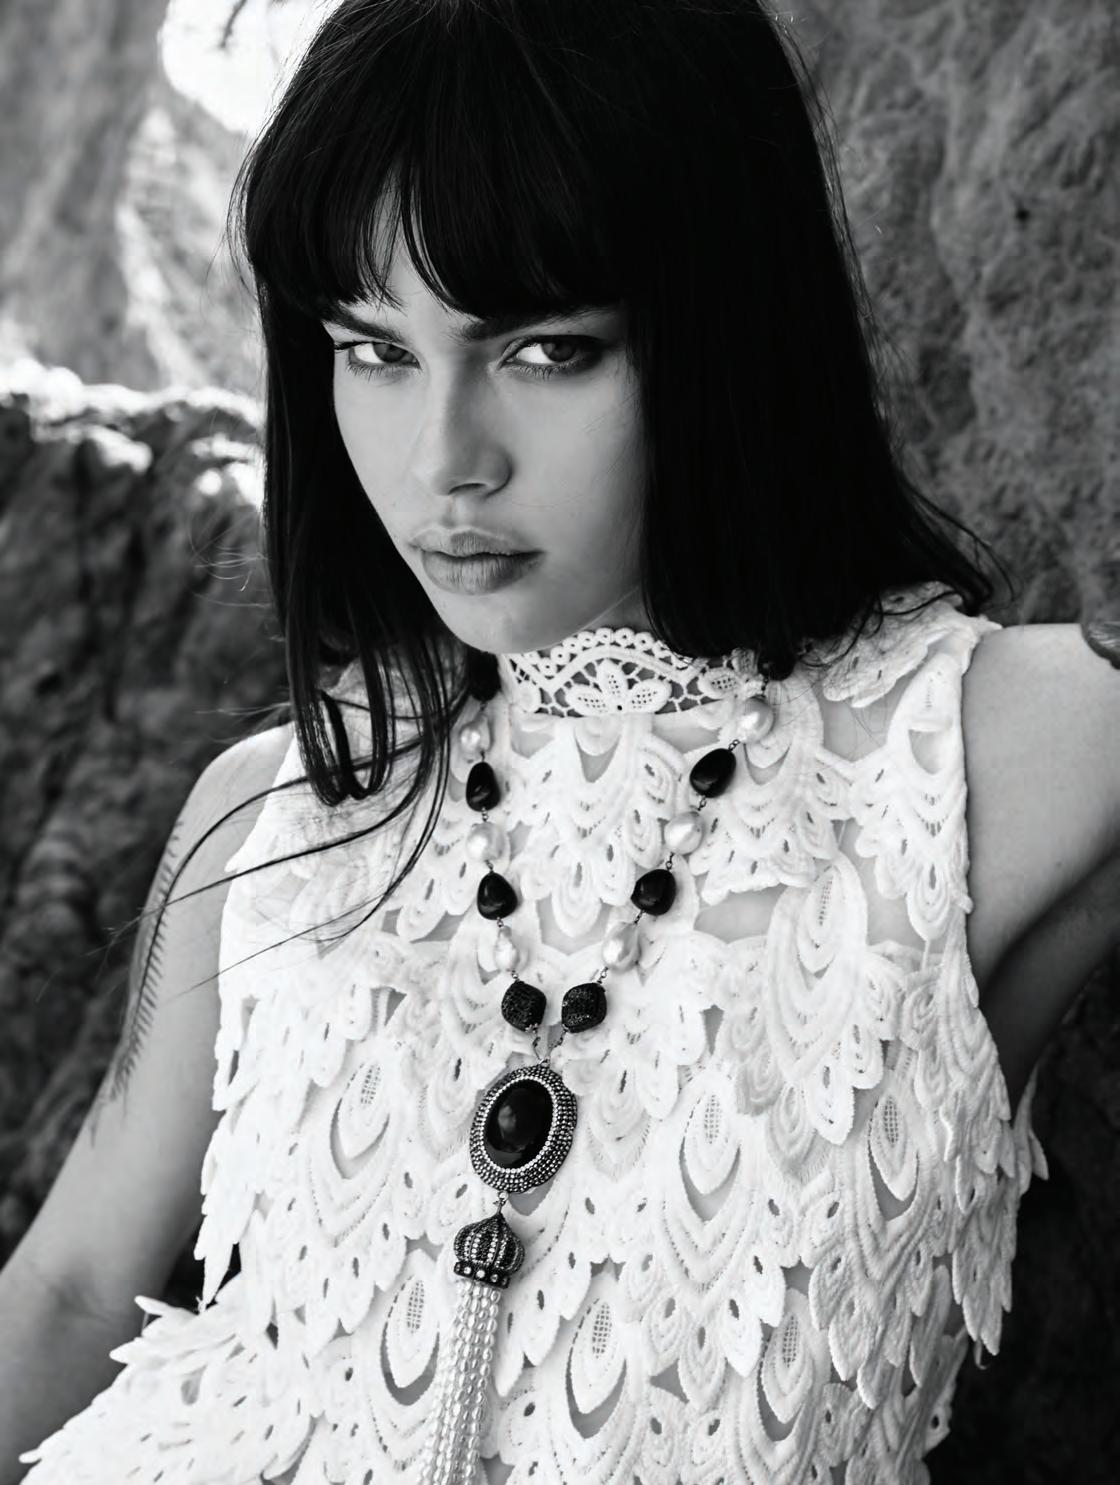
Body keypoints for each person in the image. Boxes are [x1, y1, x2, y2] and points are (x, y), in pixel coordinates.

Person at [2, 1, 1117, 1481]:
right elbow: (72, 1292)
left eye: (543, 349)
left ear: (728, 328)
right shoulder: (274, 811)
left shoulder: (992, 751)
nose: (443, 462)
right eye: (372, 349)